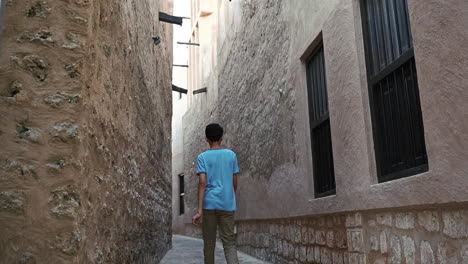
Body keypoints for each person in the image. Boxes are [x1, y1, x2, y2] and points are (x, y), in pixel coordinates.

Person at [192, 123, 240, 264]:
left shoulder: (202, 157)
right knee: (229, 243)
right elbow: (235, 181)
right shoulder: (231, 155)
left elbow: (202, 182)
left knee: (209, 243)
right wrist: (230, 196)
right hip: (226, 204)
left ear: (206, 138)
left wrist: (199, 210)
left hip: (209, 204)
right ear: (222, 138)